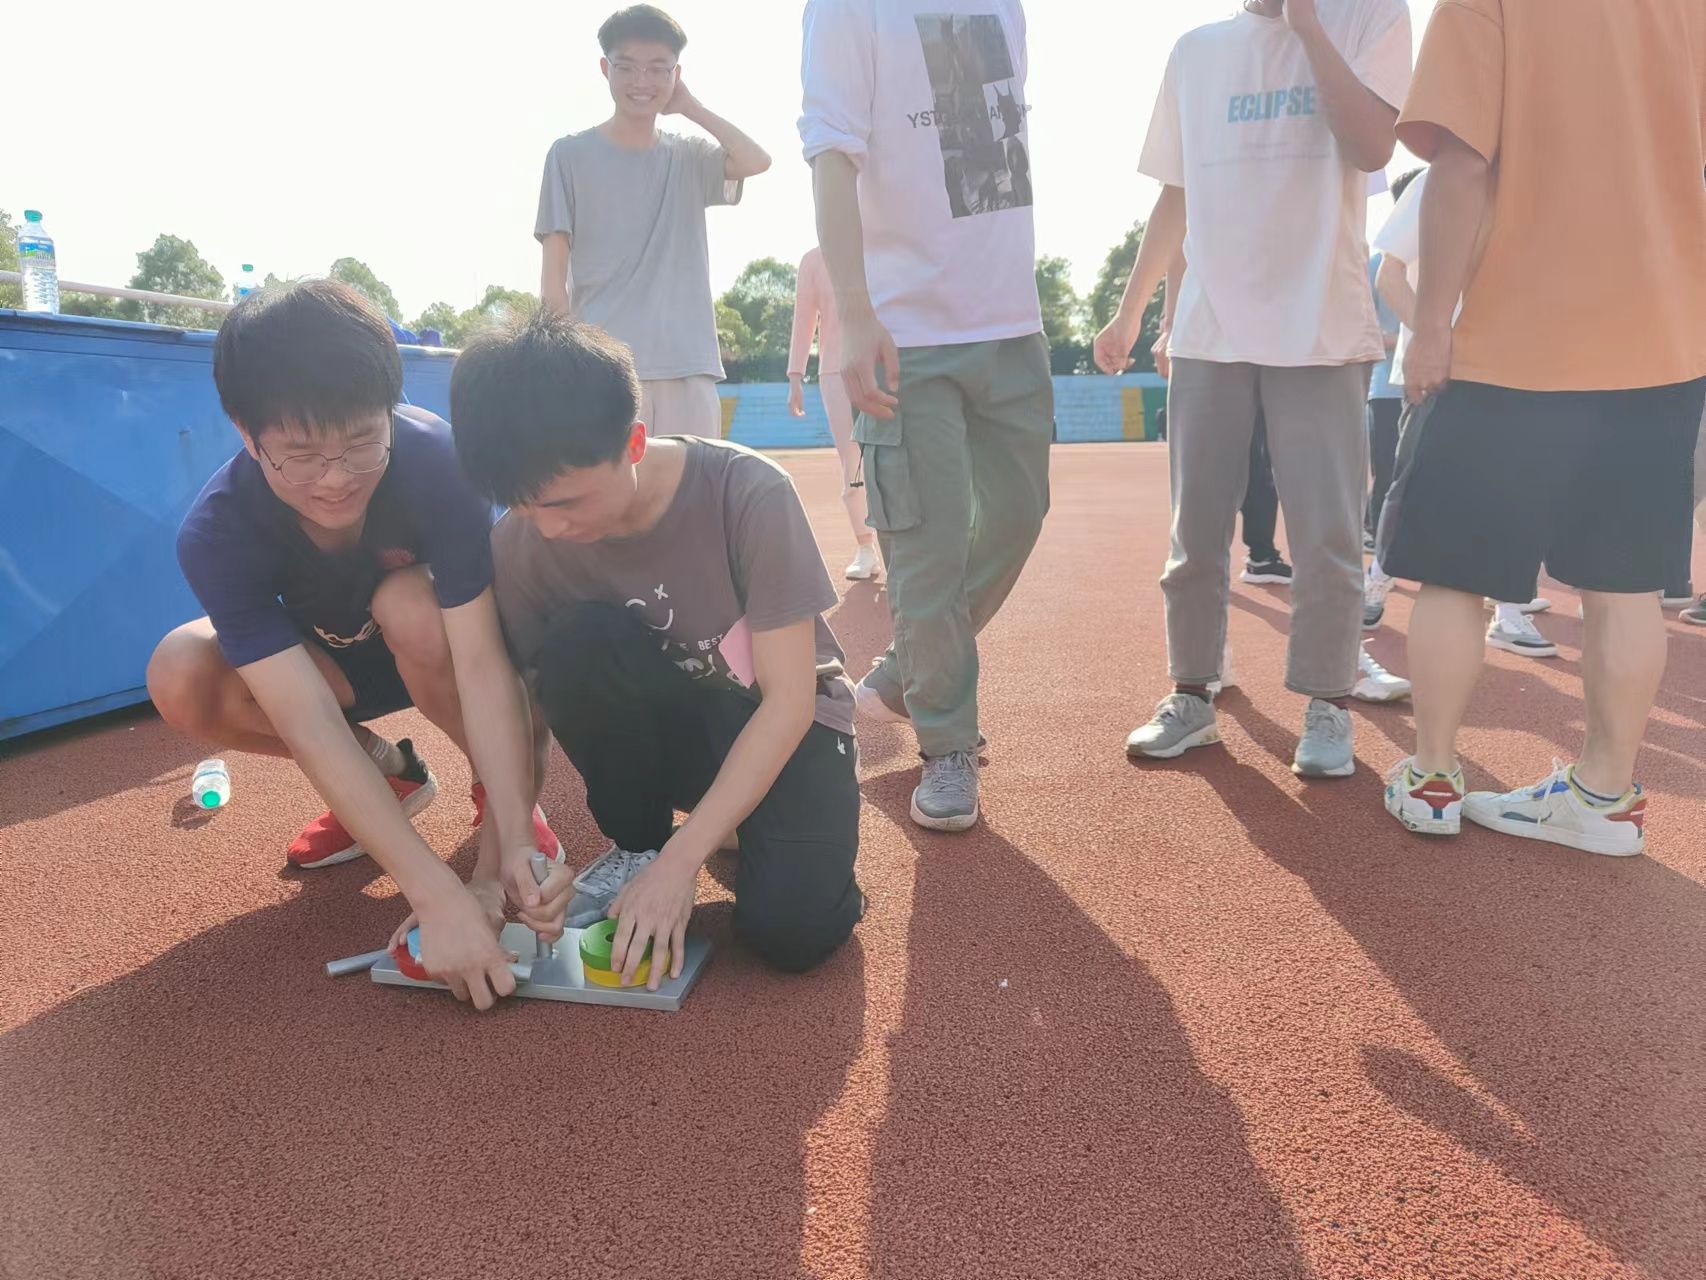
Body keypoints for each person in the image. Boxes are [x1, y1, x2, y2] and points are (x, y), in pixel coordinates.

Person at [146, 280, 560, 1010]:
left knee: (410, 604)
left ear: (392, 408)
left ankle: (506, 798)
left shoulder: (442, 463)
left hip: (436, 649)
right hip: (332, 676)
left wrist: (499, 868)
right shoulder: (217, 533)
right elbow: (307, 722)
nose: (336, 480)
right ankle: (388, 776)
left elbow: (485, 666)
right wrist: (435, 894)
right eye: (301, 456)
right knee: (181, 671)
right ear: (246, 432)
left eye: (364, 442)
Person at [1378, 0, 1706, 855]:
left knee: (1454, 575)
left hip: (1511, 340)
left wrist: (1434, 326)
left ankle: (1434, 776)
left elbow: (1459, 164)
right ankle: (1604, 798)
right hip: (1661, 337)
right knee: (1627, 587)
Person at [449, 312, 864, 982]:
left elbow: (789, 702)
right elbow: (517, 704)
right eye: (525, 508)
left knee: (795, 934)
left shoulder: (747, 493)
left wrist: (684, 863)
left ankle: (742, 836)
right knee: (577, 644)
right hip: (675, 729)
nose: (548, 530)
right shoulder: (522, 545)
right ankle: (641, 844)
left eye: (566, 503)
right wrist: (511, 849)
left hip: (786, 727)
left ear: (634, 443)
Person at [1098, 0, 1411, 772]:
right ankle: (1192, 693)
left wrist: (1305, 23)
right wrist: (1131, 310)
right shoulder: (1196, 50)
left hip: (1322, 327)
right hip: (1210, 331)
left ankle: (1328, 704)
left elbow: (1373, 146)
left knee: (1327, 535)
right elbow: (1176, 192)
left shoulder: (1370, 17)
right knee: (1196, 532)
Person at [801, 1, 1053, 832]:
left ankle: (905, 670)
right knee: (926, 552)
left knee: (1020, 515)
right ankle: (948, 742)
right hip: (906, 330)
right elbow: (831, 158)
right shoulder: (847, 11)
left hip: (1012, 321)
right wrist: (855, 311)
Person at [535, 5, 771, 438]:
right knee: (611, 485)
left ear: (676, 75)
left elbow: (757, 160)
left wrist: (692, 107)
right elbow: (553, 281)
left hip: (689, 367)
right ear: (605, 68)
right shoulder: (568, 156)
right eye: (626, 67)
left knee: (695, 483)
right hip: (604, 369)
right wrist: (564, 365)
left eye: (658, 69)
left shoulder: (690, 157)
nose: (641, 81)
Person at [1372, 166, 1561, 660]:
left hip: (1512, 371)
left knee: (1514, 493)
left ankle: (1509, 612)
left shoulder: (1535, 179)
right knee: (1412, 488)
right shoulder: (1435, 180)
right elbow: (1389, 275)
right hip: (1440, 373)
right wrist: (1438, 340)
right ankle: (1374, 584)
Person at [788, 244, 881, 581]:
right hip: (835, 371)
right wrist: (795, 376)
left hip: (884, 363)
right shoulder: (813, 260)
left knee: (893, 455)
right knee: (852, 459)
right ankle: (865, 547)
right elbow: (804, 317)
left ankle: (899, 546)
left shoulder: (882, 243)